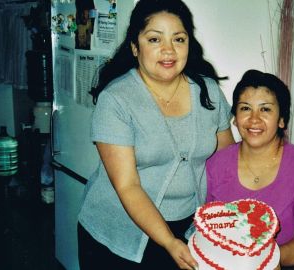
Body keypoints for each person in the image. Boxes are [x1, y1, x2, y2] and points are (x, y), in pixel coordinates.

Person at [77, 0, 234, 269]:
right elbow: (128, 185)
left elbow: (227, 161)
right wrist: (169, 241)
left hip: (187, 228)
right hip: (118, 233)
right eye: (154, 39)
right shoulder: (116, 99)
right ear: (135, 47)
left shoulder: (207, 92)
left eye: (179, 39)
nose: (168, 50)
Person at [205, 70, 294, 268]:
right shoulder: (215, 164)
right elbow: (207, 228)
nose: (254, 119)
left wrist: (266, 260)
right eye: (245, 108)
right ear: (235, 118)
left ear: (281, 119)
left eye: (265, 110)